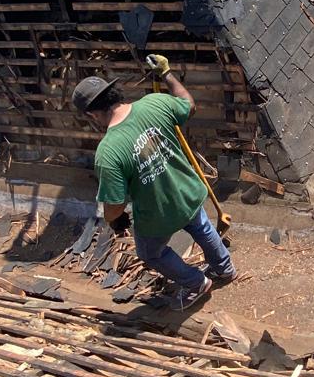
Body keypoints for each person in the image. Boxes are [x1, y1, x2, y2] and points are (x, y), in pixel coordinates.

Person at [74, 60, 236, 310]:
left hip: (158, 215)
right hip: (187, 191)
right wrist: (168, 73)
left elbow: (115, 204)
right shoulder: (154, 102)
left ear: (92, 114)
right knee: (201, 226)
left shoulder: (108, 152)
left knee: (151, 253)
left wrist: (113, 219)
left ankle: (196, 283)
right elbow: (189, 105)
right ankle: (224, 269)